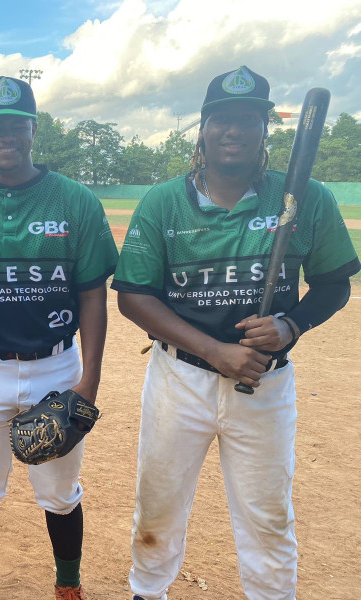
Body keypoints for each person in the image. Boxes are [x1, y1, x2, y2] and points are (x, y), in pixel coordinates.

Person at [112, 66, 361, 600]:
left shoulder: (306, 198)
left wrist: (291, 323)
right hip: (179, 379)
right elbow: (132, 295)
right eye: (221, 118)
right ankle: (147, 592)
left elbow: (334, 284)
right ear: (203, 128)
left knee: (267, 516)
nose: (234, 130)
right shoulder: (163, 202)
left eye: (248, 119)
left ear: (264, 129)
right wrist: (214, 350)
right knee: (157, 507)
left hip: (265, 385)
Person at [0, 76, 119, 600]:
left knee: (59, 491)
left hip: (57, 365)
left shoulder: (74, 199)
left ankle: (68, 585)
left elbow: (93, 295)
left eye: (16, 124)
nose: (5, 135)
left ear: (33, 129)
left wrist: (89, 382)